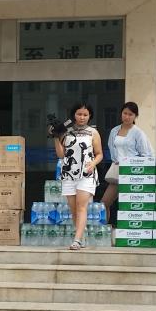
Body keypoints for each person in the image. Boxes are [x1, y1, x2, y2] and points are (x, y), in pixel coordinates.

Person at [53, 102, 103, 250]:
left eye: (85, 115)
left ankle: (77, 240)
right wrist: (56, 137)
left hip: (86, 173)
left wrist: (93, 164)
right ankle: (81, 235)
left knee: (81, 207)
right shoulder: (66, 131)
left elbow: (99, 154)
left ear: (90, 116)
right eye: (79, 114)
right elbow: (61, 155)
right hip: (69, 173)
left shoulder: (93, 132)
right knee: (74, 209)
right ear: (74, 115)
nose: (82, 117)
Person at [102, 102, 154, 219]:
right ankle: (105, 228)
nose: (127, 116)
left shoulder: (138, 133)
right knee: (104, 203)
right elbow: (111, 148)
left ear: (135, 116)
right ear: (121, 114)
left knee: (130, 204)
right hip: (117, 172)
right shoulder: (114, 131)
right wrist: (116, 161)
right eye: (125, 113)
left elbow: (147, 155)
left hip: (133, 173)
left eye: (130, 114)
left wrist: (133, 163)